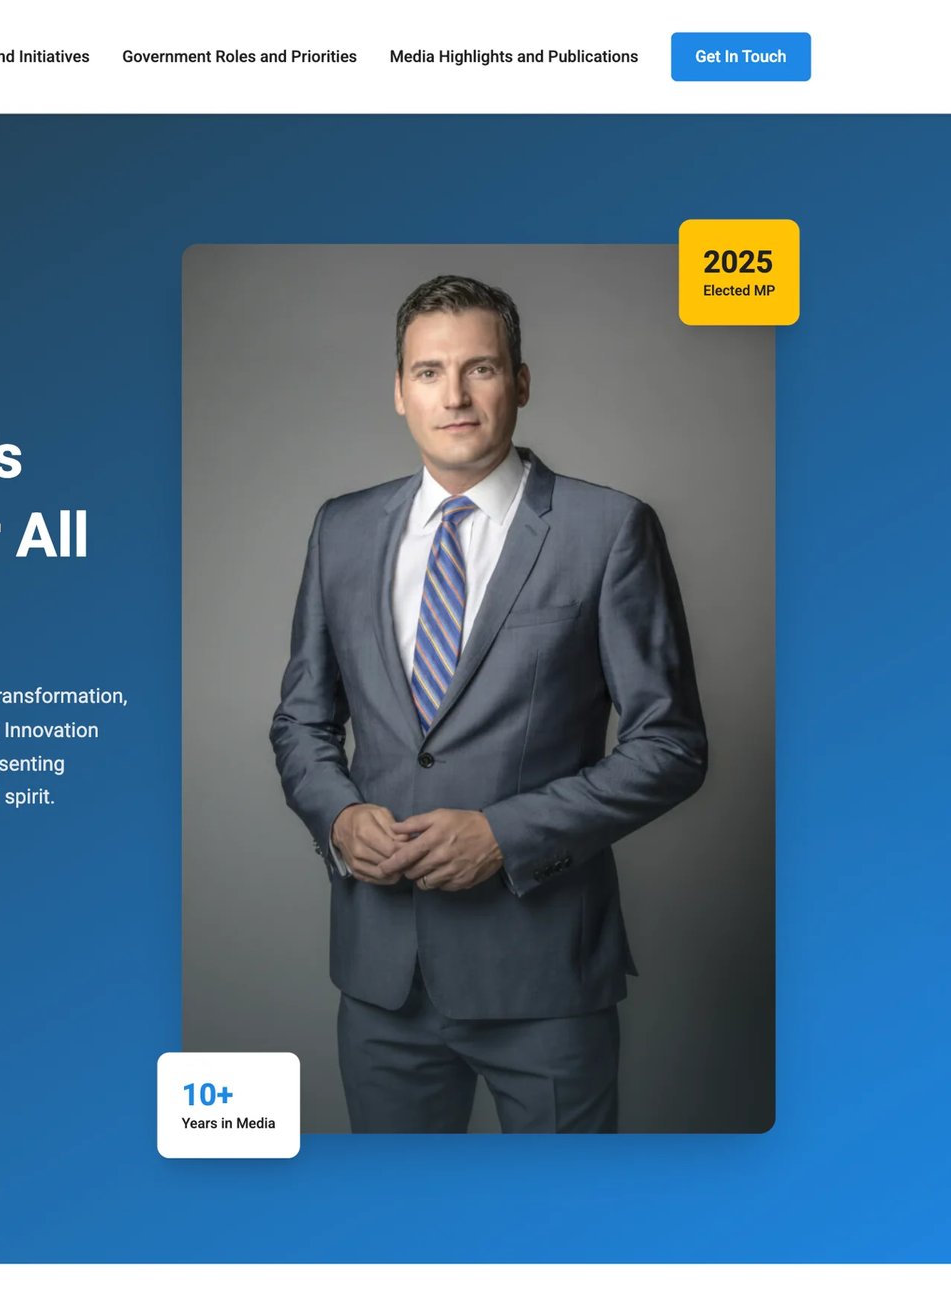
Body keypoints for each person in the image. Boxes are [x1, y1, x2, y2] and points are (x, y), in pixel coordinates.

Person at [270, 274, 707, 1133]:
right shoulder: (341, 529)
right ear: (399, 391)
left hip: (543, 971)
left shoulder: (607, 528)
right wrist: (338, 817)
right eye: (429, 372)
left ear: (521, 380)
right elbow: (302, 720)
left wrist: (505, 836)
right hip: (382, 975)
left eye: (481, 368)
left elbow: (673, 745)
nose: (456, 395)